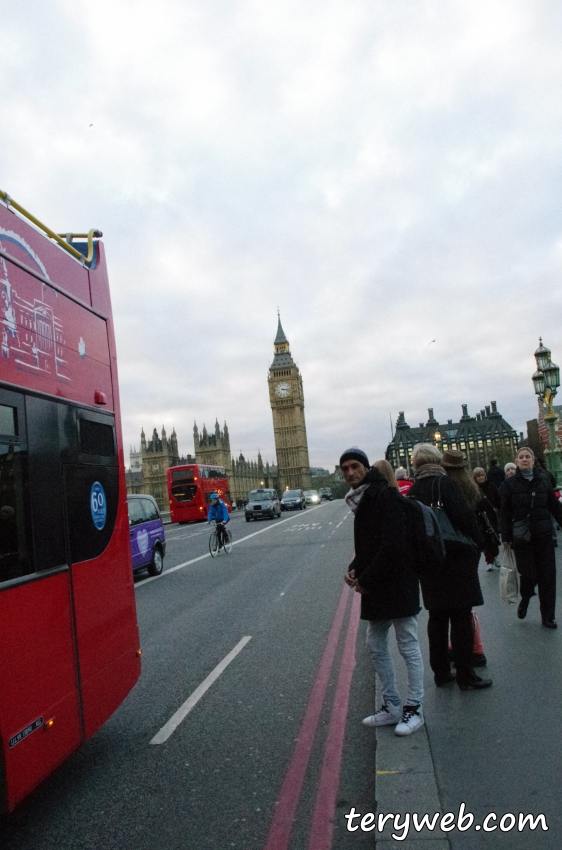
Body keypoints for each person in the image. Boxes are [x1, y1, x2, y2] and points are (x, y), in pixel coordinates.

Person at [341, 447, 424, 736]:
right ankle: (392, 706)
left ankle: (415, 708)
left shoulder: (386, 496)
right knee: (375, 645)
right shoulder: (363, 499)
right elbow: (370, 545)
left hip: (398, 581)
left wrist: (366, 579)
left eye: (354, 466)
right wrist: (355, 566)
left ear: (365, 467)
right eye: (345, 469)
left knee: (407, 644)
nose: (350, 472)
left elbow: (393, 546)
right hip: (379, 582)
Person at [409, 445, 492, 691]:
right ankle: (466, 675)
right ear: (437, 461)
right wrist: (480, 543)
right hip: (455, 559)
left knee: (436, 618)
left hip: (429, 562)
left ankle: (442, 673)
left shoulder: (413, 490)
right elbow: (464, 518)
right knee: (460, 617)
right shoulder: (444, 485)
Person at [500, 446, 562, 628]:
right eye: (521, 457)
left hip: (543, 535)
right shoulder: (510, 485)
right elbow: (505, 512)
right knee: (529, 575)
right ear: (517, 461)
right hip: (522, 538)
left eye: (528, 457)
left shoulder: (543, 480)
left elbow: (555, 507)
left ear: (533, 460)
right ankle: (526, 597)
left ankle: (548, 616)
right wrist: (506, 537)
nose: (525, 460)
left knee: (548, 577)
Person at [472, 467, 501, 570]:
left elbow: (498, 499)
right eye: (478, 476)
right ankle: (489, 561)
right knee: (486, 540)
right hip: (481, 518)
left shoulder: (491, 486)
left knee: (494, 538)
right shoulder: (473, 489)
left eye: (482, 475)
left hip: (491, 516)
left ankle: (496, 556)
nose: (481, 477)